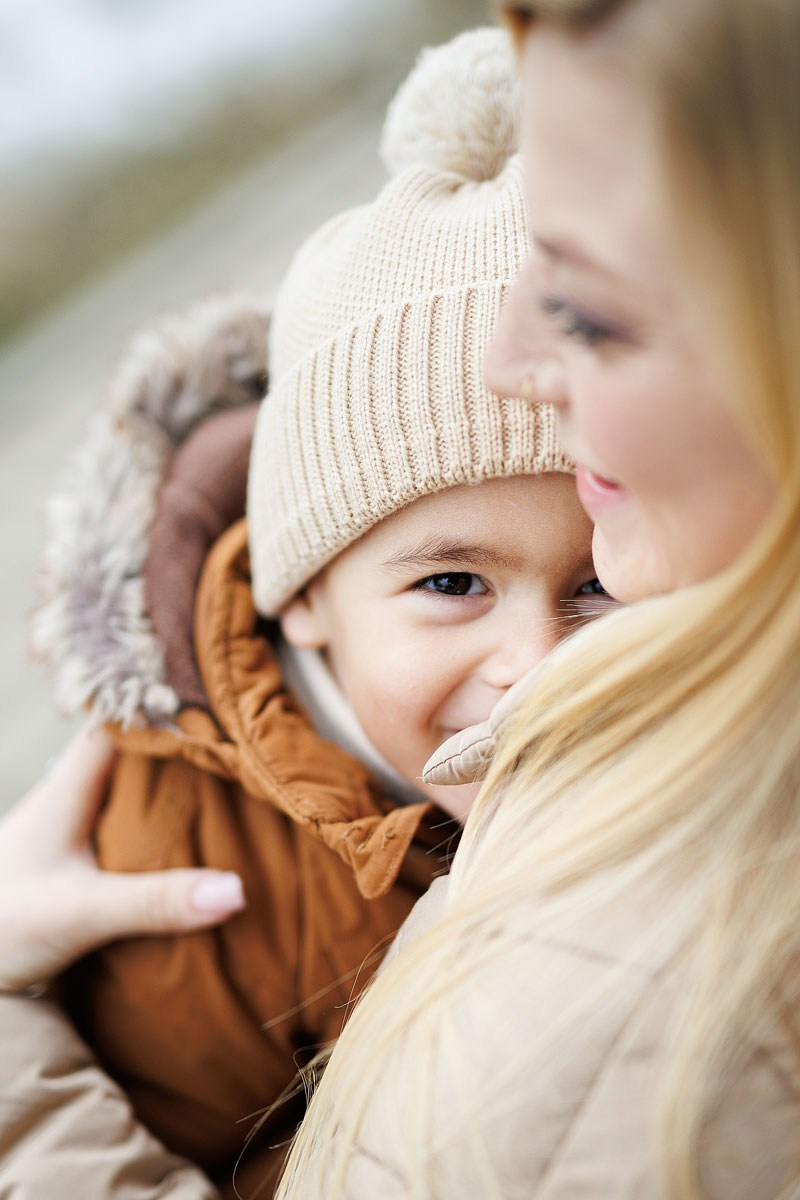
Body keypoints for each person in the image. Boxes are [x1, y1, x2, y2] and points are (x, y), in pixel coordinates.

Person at [4, 0, 794, 1194]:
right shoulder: (190, 878)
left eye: (591, 583)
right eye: (449, 585)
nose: (531, 657)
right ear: (302, 598)